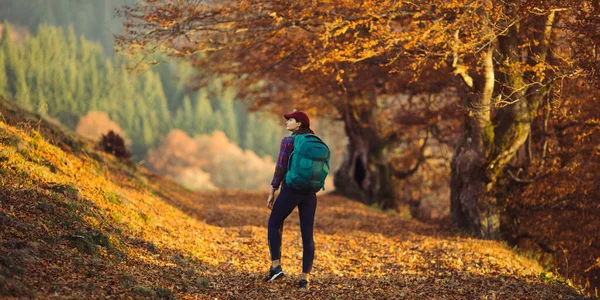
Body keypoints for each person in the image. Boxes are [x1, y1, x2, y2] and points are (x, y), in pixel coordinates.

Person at [265, 110, 318, 290]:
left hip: (291, 190)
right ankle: (305, 279)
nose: (287, 122)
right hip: (310, 193)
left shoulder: (288, 141)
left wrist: (273, 189)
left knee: (274, 223)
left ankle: (276, 266)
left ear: (299, 124)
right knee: (307, 234)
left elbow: (280, 166)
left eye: (291, 120)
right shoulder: (314, 142)